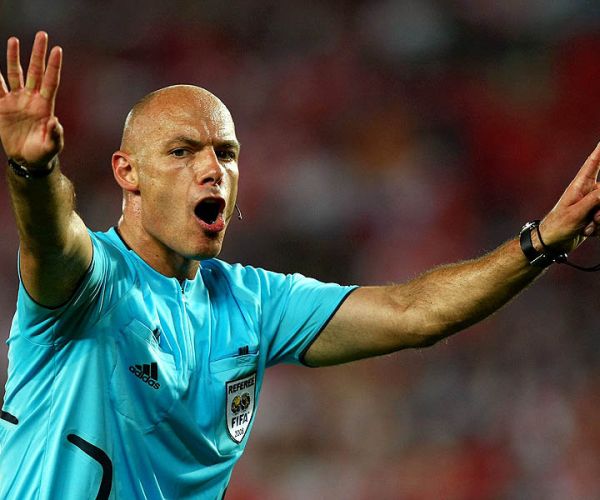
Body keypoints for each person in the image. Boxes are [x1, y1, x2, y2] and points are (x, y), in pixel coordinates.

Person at [0, 31, 599, 500]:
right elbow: (51, 239)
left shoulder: (254, 304)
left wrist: (542, 241)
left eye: (226, 153)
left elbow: (415, 313)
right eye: (182, 152)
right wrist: (34, 171)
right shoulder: (92, 285)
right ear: (127, 172)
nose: (212, 170)